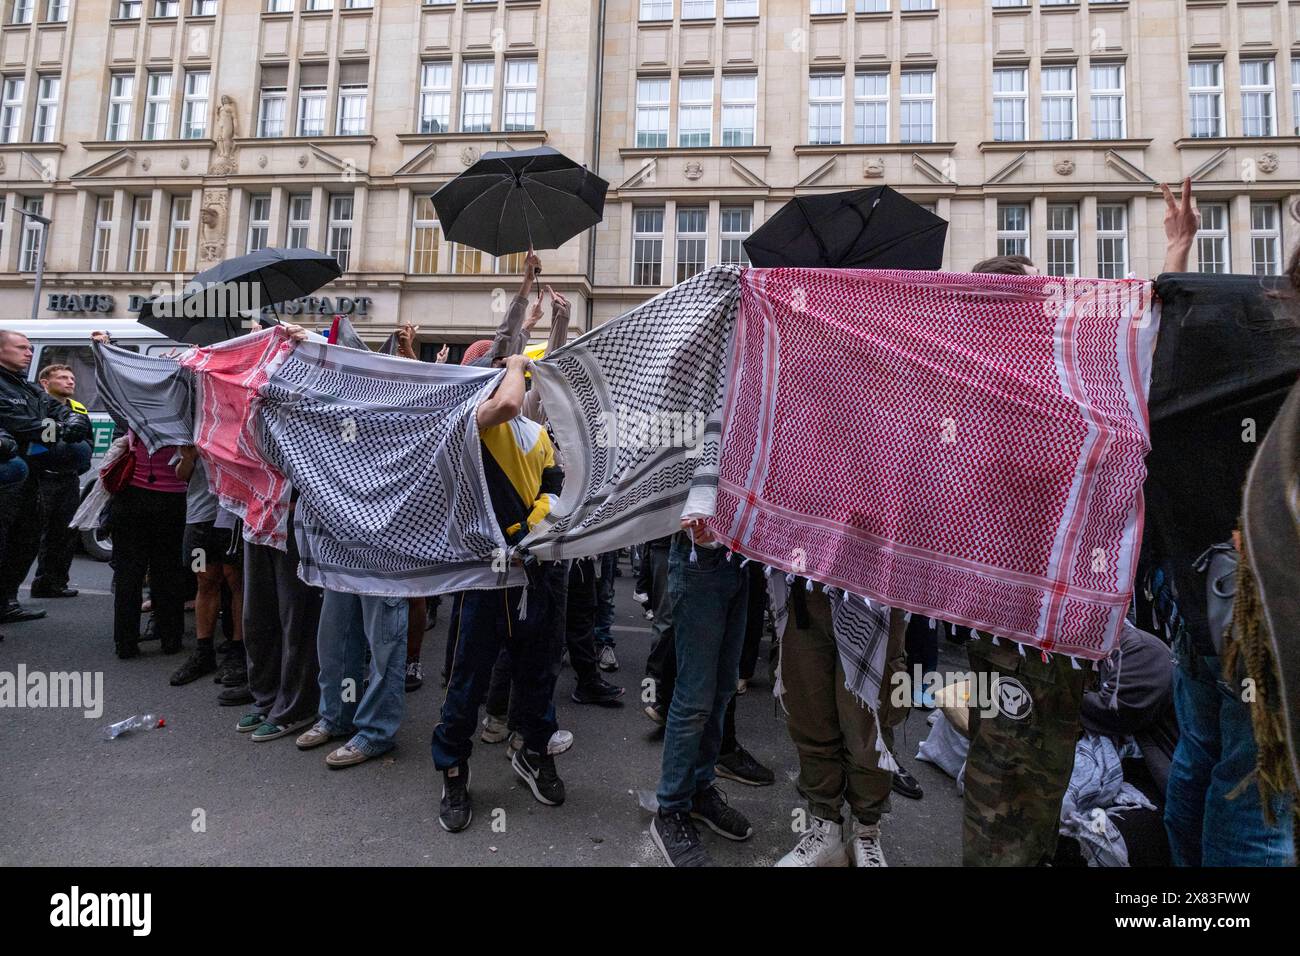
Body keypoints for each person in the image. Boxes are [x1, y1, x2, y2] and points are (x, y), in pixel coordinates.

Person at [959, 178, 1202, 866]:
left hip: (1062, 635)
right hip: (1016, 631)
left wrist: (1177, 250)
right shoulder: (997, 398)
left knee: (1032, 782)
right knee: (1006, 789)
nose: (1055, 310)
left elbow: (1144, 349)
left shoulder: (1059, 388)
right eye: (1039, 300)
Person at [432, 343, 569, 832]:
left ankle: (534, 751)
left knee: (538, 669)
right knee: (469, 675)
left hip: (537, 569)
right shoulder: (475, 421)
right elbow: (508, 403)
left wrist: (533, 525)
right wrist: (513, 364)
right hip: (485, 574)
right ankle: (452, 766)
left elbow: (555, 484)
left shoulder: (537, 435)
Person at [649, 522, 758, 867]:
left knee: (723, 689)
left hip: (737, 559)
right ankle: (671, 808)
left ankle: (698, 789)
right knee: (695, 696)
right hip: (699, 559)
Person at [776, 587, 907, 867]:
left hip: (875, 590)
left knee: (869, 725)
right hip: (805, 583)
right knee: (810, 717)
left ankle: (866, 832)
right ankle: (825, 830)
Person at [0, 330, 93, 625]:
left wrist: (73, 420)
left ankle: (7, 602)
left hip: (31, 478)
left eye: (30, 348)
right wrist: (59, 429)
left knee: (25, 540)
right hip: (7, 478)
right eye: (22, 348)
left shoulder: (26, 388)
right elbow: (20, 425)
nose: (29, 353)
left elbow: (55, 409)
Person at [167, 448, 246, 691]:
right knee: (205, 579)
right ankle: (204, 652)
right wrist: (189, 457)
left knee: (236, 580)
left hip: (234, 512)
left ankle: (237, 651)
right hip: (200, 516)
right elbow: (182, 474)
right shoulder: (192, 428)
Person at [29, 364, 92, 600]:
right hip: (43, 477)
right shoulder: (37, 408)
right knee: (33, 532)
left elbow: (88, 439)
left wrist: (81, 460)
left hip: (69, 478)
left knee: (64, 532)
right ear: (45, 383)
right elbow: (43, 441)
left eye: (72, 377)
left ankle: (53, 583)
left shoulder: (78, 408)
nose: (70, 381)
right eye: (63, 377)